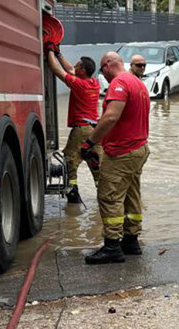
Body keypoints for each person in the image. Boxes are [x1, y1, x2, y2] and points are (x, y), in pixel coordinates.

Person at [79, 51, 151, 264]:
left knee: (109, 196)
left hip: (122, 153)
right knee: (131, 194)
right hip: (138, 149)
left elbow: (111, 117)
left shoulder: (119, 83)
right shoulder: (138, 84)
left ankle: (112, 246)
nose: (103, 75)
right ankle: (131, 240)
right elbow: (125, 117)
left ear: (108, 65)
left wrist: (89, 142)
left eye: (102, 70)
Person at [45, 44, 101, 204]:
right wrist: (59, 53)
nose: (74, 66)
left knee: (70, 162)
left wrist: (49, 51)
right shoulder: (94, 83)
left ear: (82, 70)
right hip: (95, 131)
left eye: (77, 65)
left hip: (81, 130)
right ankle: (104, 200)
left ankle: (73, 198)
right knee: (97, 166)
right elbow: (70, 70)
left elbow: (57, 71)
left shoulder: (79, 85)